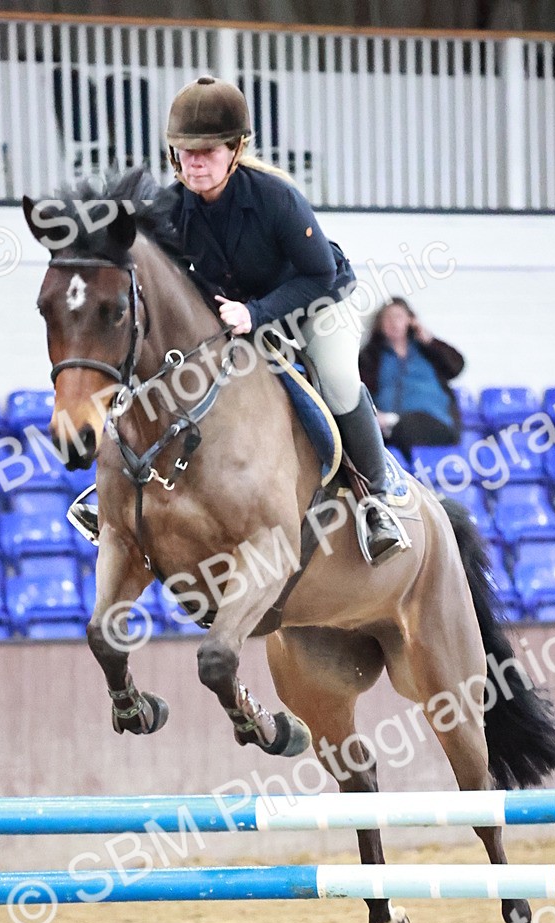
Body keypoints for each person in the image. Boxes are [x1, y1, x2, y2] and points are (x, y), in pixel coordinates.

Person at [163, 75, 406, 564]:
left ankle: (377, 499)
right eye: (185, 151)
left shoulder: (276, 198)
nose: (195, 161)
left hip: (315, 303)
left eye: (208, 150)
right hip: (241, 317)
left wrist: (255, 314)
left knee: (337, 380)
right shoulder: (171, 209)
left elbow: (318, 274)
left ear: (236, 150)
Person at [359, 298, 464, 461]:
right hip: (387, 430)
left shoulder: (426, 350)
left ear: (410, 320)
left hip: (436, 424)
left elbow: (457, 367)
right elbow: (359, 392)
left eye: (399, 317)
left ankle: (394, 424)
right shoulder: (371, 357)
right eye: (388, 318)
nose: (394, 323)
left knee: (405, 426)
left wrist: (429, 340)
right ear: (379, 324)